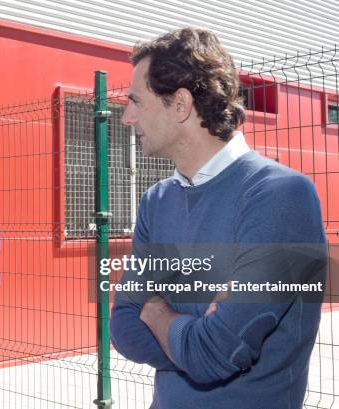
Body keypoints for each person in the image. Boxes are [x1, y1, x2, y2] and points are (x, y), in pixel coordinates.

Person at [109, 28, 327, 408]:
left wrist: (157, 311)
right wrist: (192, 332)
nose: (127, 117)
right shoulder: (156, 201)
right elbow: (124, 327)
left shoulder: (280, 196)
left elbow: (217, 353)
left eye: (136, 102)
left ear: (180, 105)